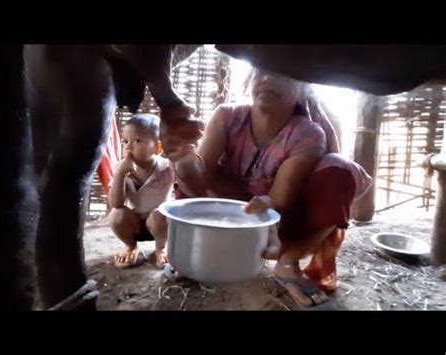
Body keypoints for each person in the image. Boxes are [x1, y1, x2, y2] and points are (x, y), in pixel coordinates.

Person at [170, 69, 372, 307]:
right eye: (260, 73)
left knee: (339, 168)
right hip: (221, 214)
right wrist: (183, 161)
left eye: (281, 74)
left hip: (276, 222)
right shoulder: (227, 116)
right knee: (185, 170)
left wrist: (266, 205)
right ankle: (191, 256)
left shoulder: (308, 134)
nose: (266, 79)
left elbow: (280, 200)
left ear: (302, 93)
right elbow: (200, 180)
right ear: (249, 83)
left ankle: (288, 262)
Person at [108, 113, 174, 269]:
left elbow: (186, 184)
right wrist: (120, 175)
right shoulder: (122, 169)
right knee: (117, 214)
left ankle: (161, 249)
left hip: (161, 226)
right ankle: (131, 246)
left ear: (158, 147)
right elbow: (115, 203)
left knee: (160, 214)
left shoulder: (168, 167)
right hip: (135, 224)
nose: (128, 147)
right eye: (125, 141)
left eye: (137, 141)